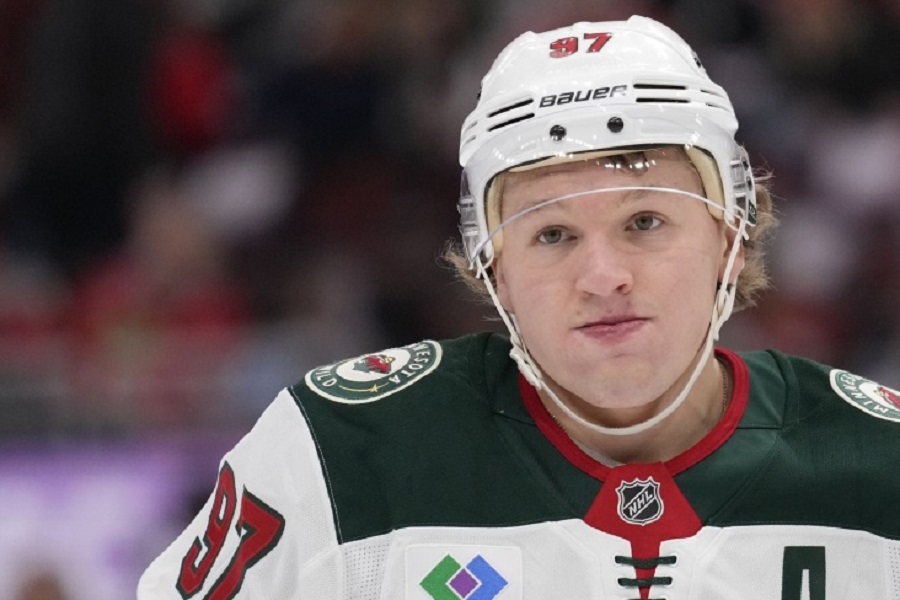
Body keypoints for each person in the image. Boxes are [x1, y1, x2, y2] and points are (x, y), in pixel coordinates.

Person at [138, 15, 900, 599]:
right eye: (553, 235)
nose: (603, 276)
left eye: (644, 222)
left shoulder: (881, 462)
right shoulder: (340, 453)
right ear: (492, 271)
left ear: (731, 236)